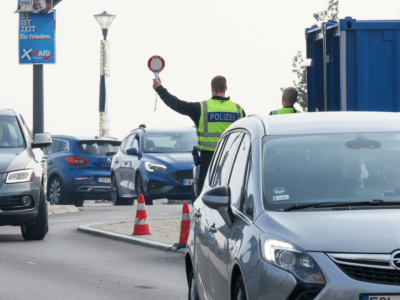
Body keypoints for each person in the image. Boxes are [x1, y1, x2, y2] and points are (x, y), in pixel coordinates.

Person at [153, 76, 245, 202]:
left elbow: (176, 104)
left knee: (202, 198)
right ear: (226, 88)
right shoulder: (238, 110)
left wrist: (160, 89)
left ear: (212, 89)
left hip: (208, 162)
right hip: (231, 161)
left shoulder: (201, 108)